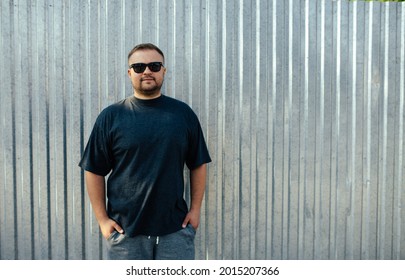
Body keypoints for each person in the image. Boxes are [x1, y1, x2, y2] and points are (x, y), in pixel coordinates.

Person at [79, 43, 211, 260]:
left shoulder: (182, 114)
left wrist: (195, 210)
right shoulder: (111, 116)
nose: (147, 71)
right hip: (126, 232)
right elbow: (93, 169)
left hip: (175, 230)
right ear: (129, 72)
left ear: (164, 71)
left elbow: (198, 163)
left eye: (154, 65)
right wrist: (103, 220)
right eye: (139, 67)